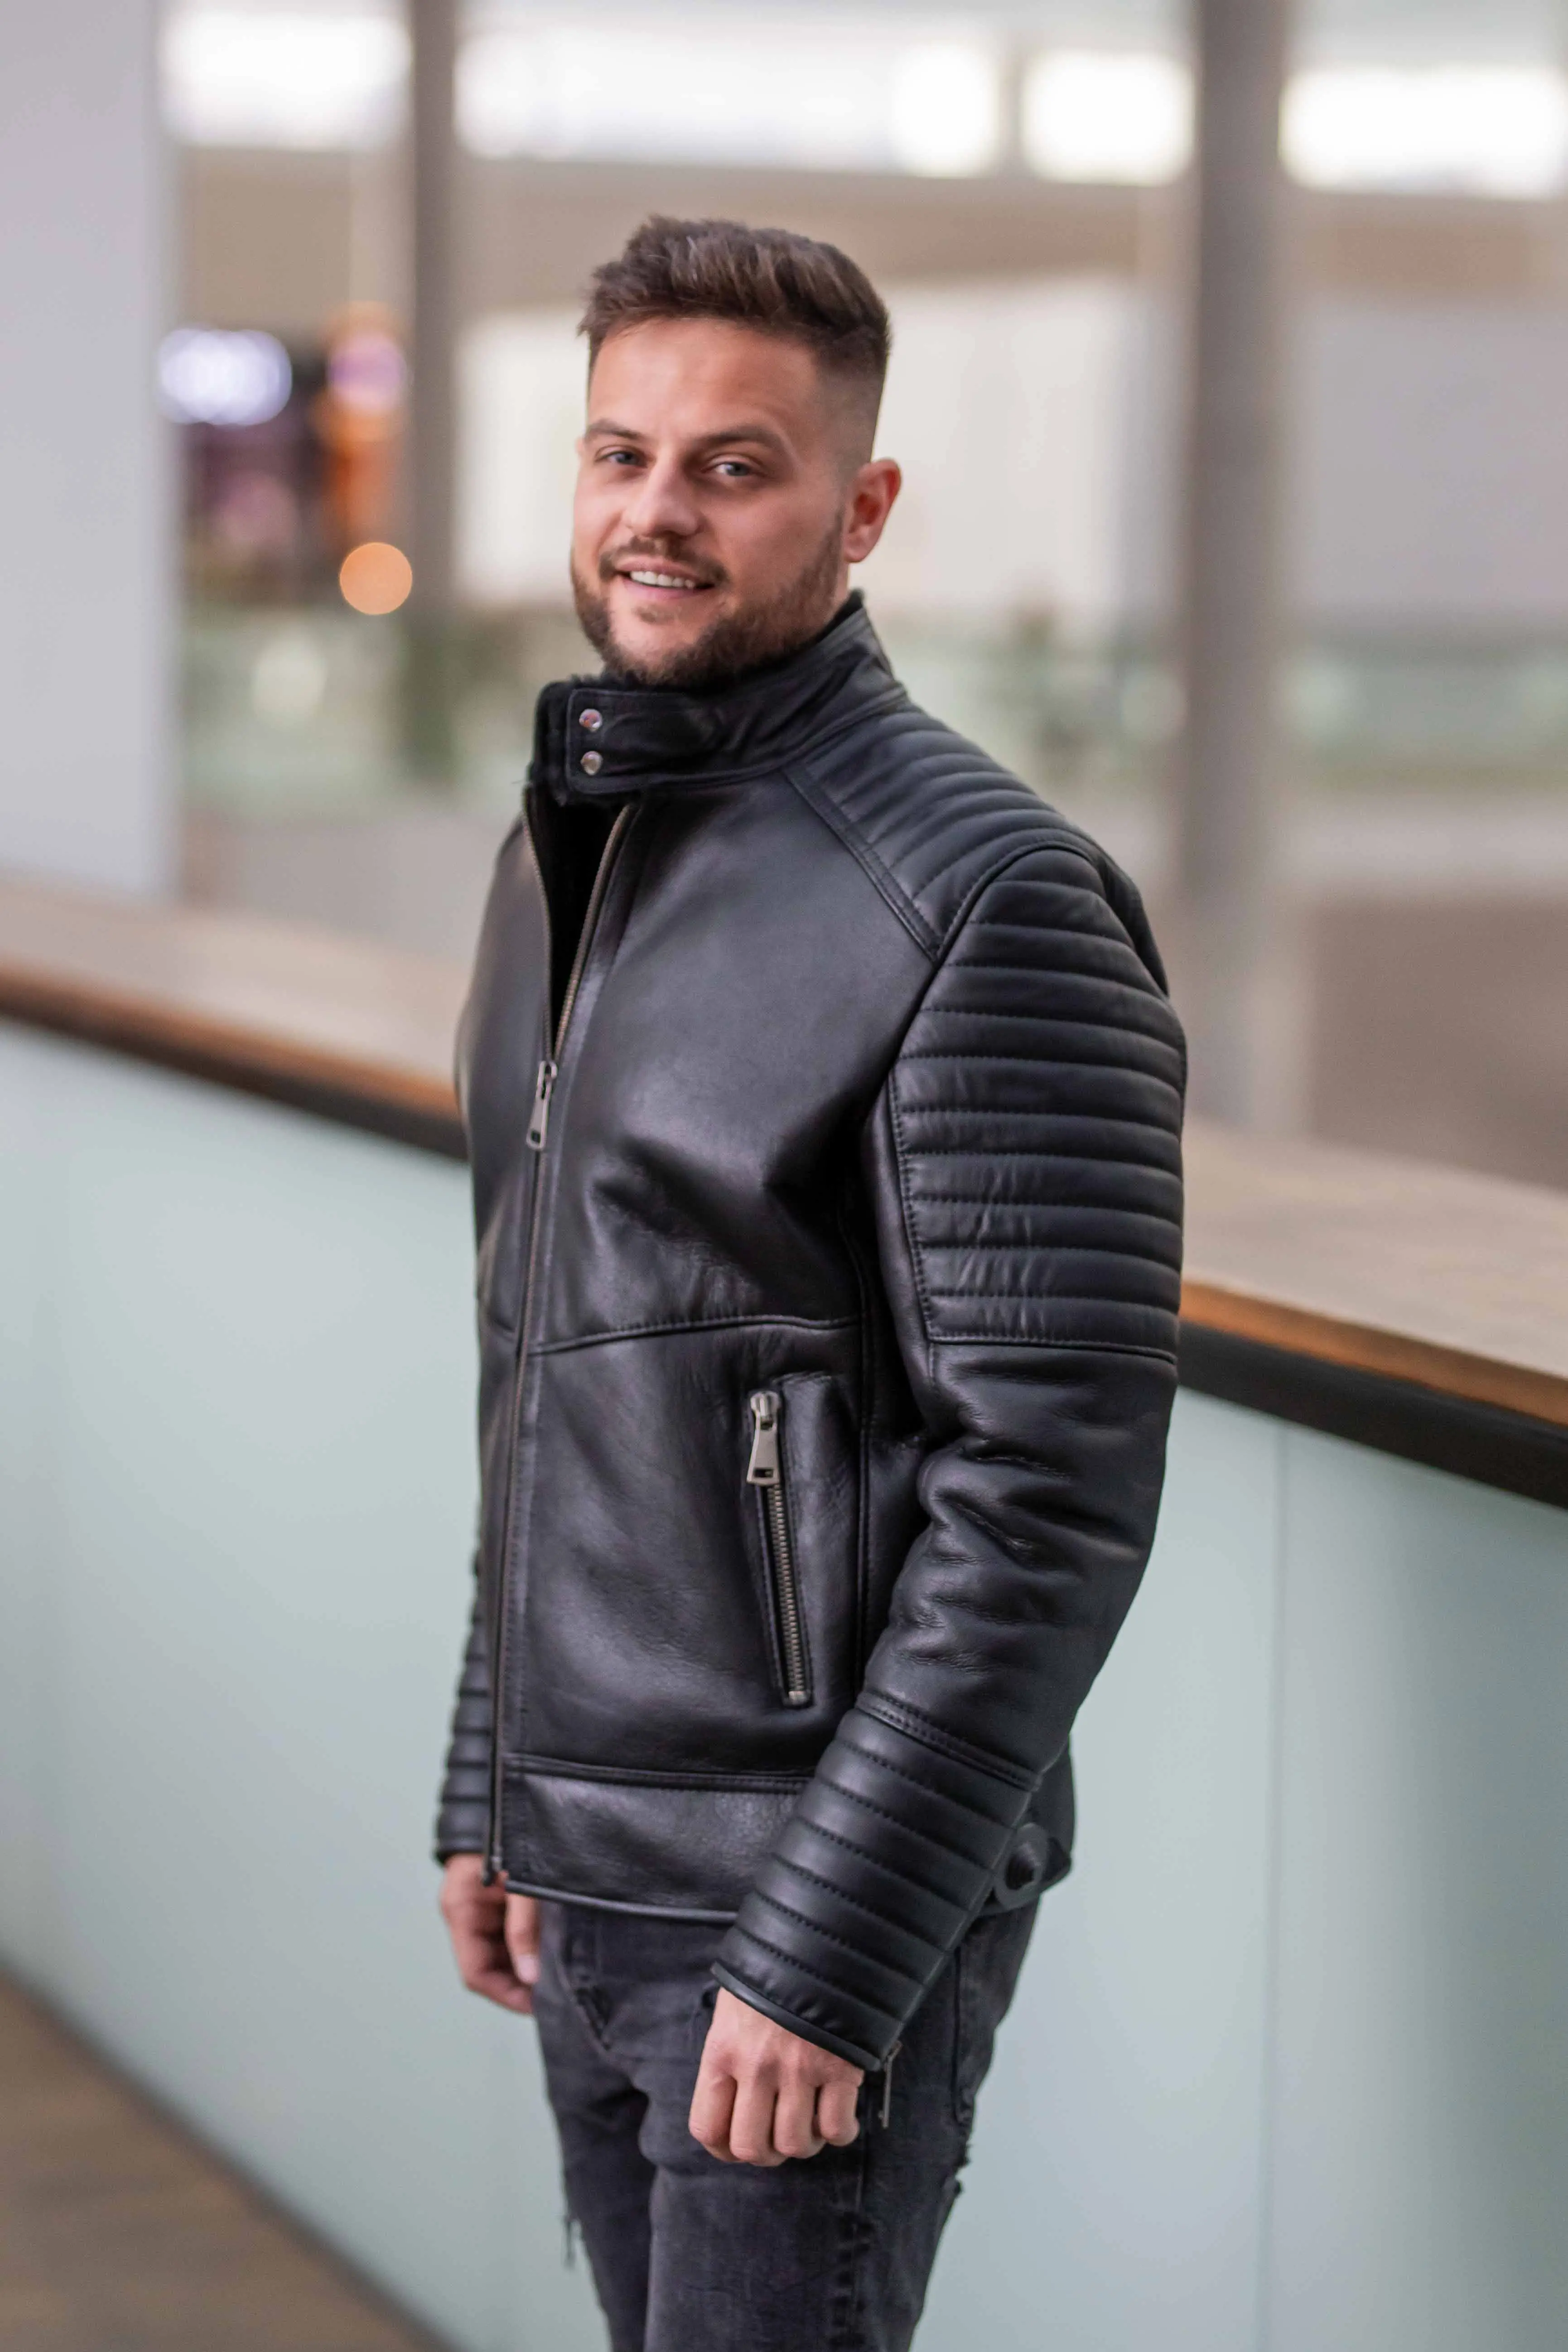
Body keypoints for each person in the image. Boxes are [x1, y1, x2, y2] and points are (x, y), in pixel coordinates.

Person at [436, 215, 1184, 2352]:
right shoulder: (575, 848)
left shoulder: (983, 895)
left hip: (794, 1911)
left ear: (860, 510)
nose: (655, 510)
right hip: (587, 1864)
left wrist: (829, 1945)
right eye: (620, 453)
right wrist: (494, 1776)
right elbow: (555, 1369)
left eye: (733, 465)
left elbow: (1042, 1496)